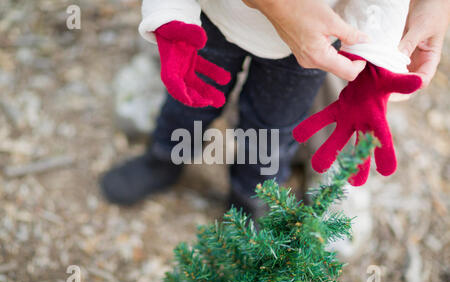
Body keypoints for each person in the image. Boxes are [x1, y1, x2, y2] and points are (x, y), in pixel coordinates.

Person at [100, 0, 449, 217]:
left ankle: (250, 200)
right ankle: (164, 159)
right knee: (190, 99)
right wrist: (171, 13)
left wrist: (376, 61)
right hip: (216, 17)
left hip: (316, 42)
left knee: (271, 129)